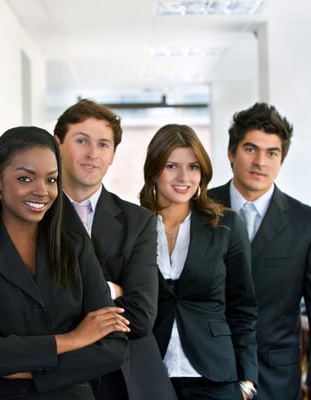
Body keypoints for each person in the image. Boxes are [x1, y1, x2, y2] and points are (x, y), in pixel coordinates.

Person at [0, 126, 130, 400]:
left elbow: (113, 348)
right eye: (25, 178)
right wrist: (74, 339)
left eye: (51, 180)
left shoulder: (75, 246)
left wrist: (14, 366)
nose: (41, 191)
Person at [208, 102, 311, 400]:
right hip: (204, 377)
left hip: (275, 383)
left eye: (272, 153)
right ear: (231, 153)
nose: (261, 162)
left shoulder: (308, 225)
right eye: (250, 149)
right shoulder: (199, 211)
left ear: (281, 159)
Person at [53, 99, 176, 400]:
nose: (93, 154)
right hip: (58, 379)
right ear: (57, 145)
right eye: (81, 141)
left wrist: (70, 310)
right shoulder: (37, 216)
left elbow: (143, 315)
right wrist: (113, 290)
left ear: (112, 155)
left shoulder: (139, 222)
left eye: (103, 145)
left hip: (127, 380)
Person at [139, 124, 258, 400]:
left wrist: (248, 381)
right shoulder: (134, 224)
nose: (184, 177)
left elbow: (243, 308)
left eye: (193, 167)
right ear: (154, 170)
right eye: (171, 166)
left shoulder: (226, 225)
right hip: (150, 373)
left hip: (215, 376)